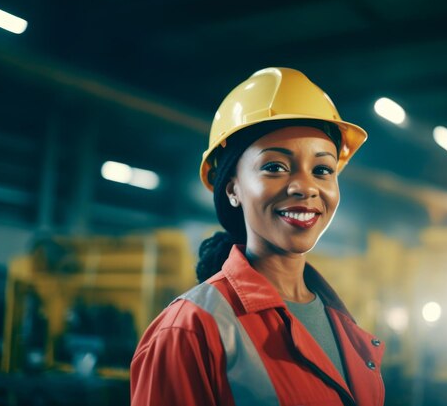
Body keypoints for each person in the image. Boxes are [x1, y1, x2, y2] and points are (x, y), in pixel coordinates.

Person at [130, 67, 385, 406]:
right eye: (275, 167)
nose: (305, 187)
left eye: (322, 170)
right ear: (233, 187)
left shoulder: (341, 322)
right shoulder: (189, 330)